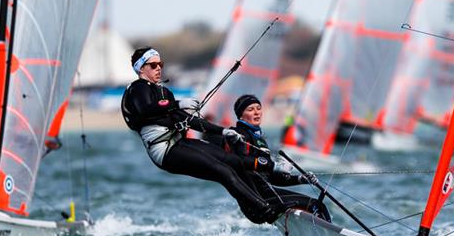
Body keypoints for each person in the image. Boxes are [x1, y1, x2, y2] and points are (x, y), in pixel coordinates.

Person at [121, 47, 289, 224]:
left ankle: (259, 201)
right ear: (141, 69)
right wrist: (178, 103)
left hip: (179, 142)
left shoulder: (164, 92)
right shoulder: (137, 89)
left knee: (235, 161)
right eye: (153, 65)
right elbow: (147, 108)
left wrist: (222, 131)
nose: (158, 68)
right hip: (164, 151)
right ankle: (264, 210)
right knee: (222, 171)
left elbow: (188, 120)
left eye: (160, 64)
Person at [225, 94, 331, 222]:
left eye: (259, 108)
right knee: (316, 206)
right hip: (256, 200)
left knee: (316, 206)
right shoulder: (238, 135)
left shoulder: (259, 139)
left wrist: (300, 179)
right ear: (241, 115)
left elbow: (270, 177)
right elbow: (238, 161)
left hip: (266, 194)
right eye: (250, 109)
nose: (257, 112)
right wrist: (271, 164)